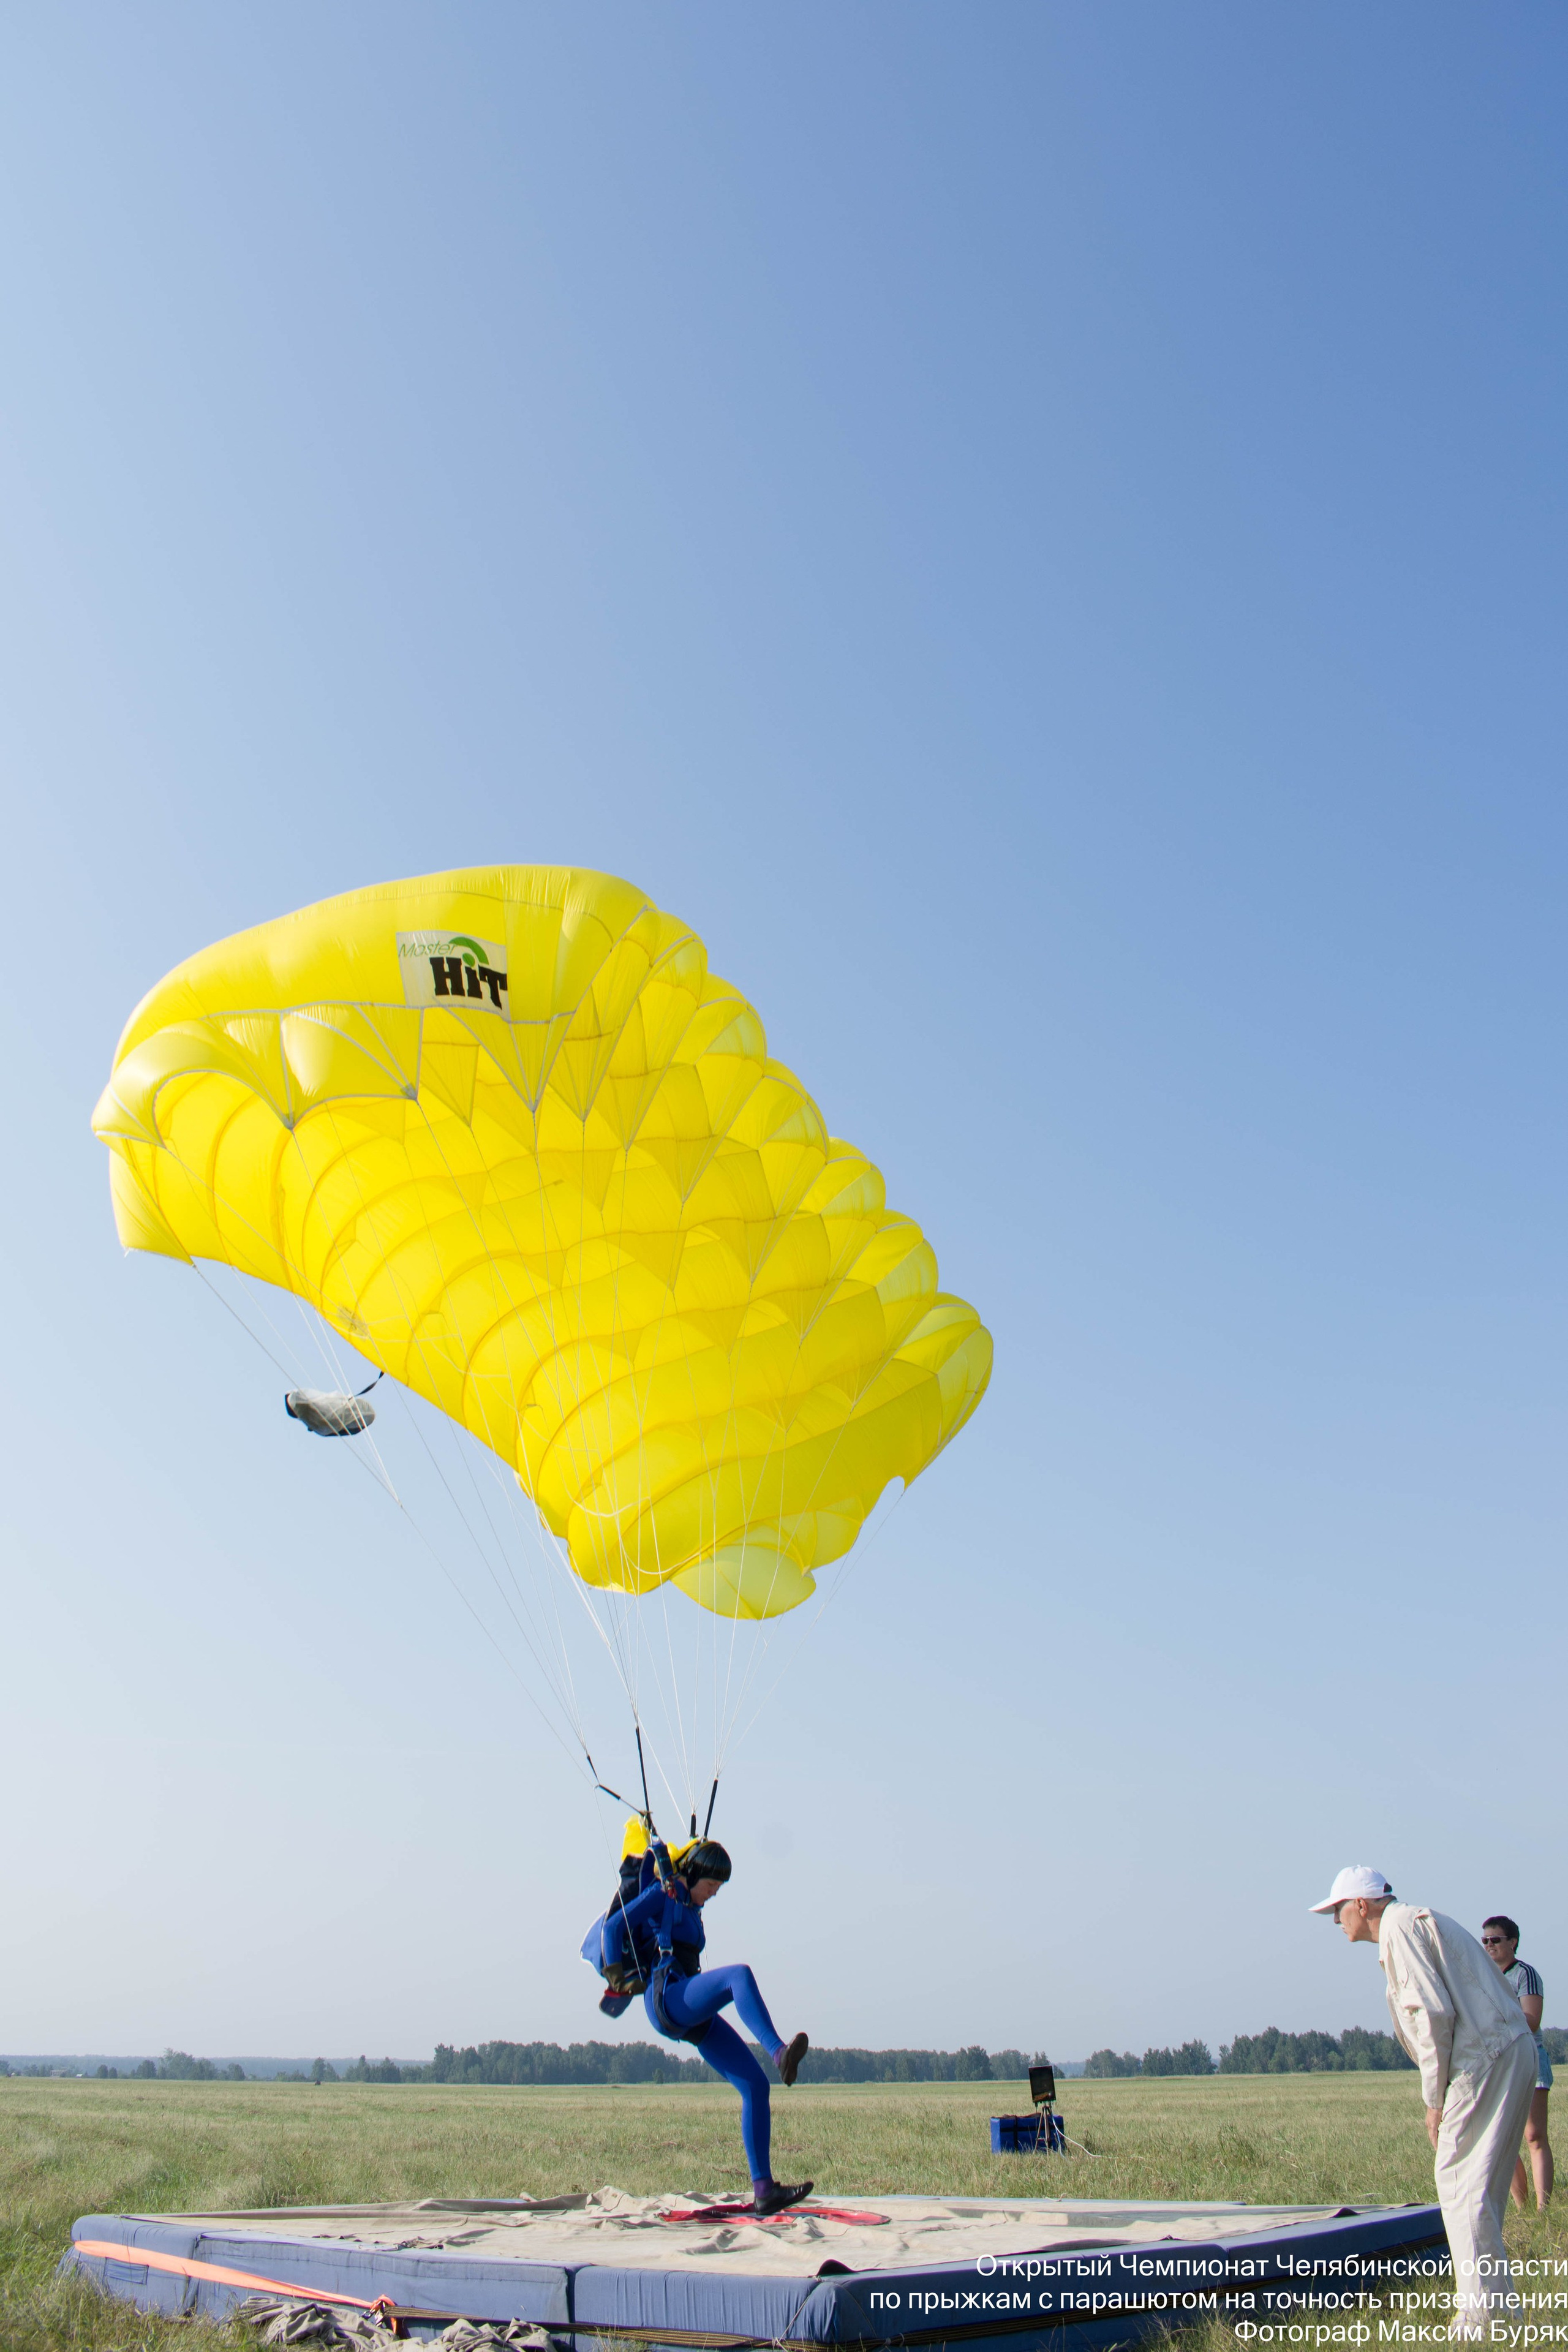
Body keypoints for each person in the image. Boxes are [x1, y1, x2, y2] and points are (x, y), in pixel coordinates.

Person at [1311, 1866, 1536, 2339]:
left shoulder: (1400, 1930)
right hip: (1506, 2050)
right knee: (1479, 2191)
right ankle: (1498, 2313)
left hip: (1482, 2059)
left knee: (1458, 2185)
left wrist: (1434, 2101)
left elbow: (1432, 2014)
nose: (1335, 1921)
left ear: (1361, 1905)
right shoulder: (1413, 1923)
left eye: (1337, 1910)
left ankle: (1480, 2319)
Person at [601, 1836, 812, 2216]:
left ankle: (765, 2191)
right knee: (738, 1976)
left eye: (719, 1887)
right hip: (668, 1998)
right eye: (712, 1885)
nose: (714, 1893)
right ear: (695, 1874)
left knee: (756, 2086)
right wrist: (616, 1977)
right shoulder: (664, 1893)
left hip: (690, 2006)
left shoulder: (689, 1903)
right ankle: (779, 2053)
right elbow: (614, 1926)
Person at [1481, 1915, 1553, 2209]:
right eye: (1485, 1940)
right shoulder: (1482, 1976)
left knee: (1534, 2135)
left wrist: (1497, 2018)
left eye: (1495, 1940)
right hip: (1497, 2062)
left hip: (1529, 2056)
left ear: (1513, 1942)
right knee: (1504, 2138)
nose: (1489, 1945)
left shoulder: (1525, 1974)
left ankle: (1543, 2207)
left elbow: (1532, 2020)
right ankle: (1522, 2207)